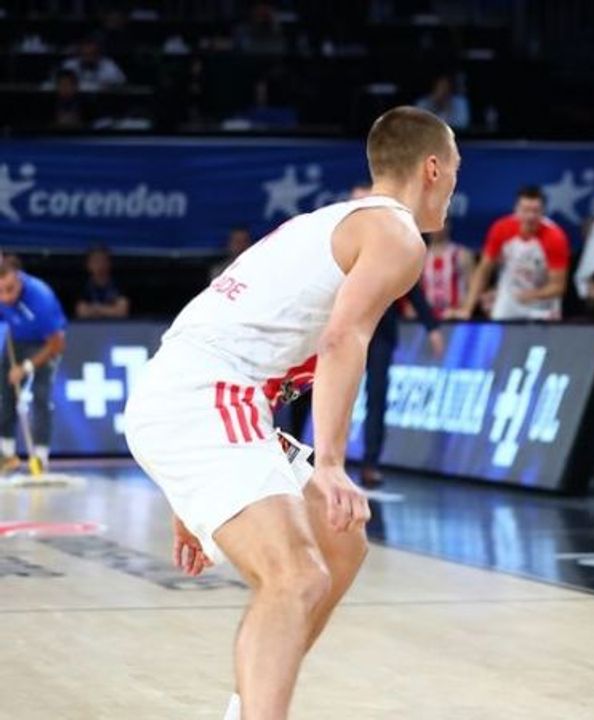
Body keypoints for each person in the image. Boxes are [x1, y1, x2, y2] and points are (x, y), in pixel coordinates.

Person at [122, 106, 458, 720]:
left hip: (200, 395)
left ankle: (248, 707)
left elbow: (223, 327)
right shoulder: (397, 235)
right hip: (204, 396)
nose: (456, 184)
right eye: (456, 169)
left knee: (341, 541)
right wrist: (330, 463)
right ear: (433, 168)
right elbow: (342, 339)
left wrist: (186, 497)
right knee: (296, 577)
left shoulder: (329, 222)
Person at [348, 185, 446, 488]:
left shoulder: (389, 244)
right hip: (344, 331)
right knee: (334, 392)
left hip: (380, 332)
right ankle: (324, 461)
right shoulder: (339, 241)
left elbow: (411, 286)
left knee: (376, 397)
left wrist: (431, 327)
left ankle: (370, 463)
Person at [450, 186, 570, 321]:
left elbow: (558, 286)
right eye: (526, 210)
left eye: (535, 211)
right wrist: (467, 308)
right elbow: (484, 270)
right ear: (516, 209)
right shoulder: (501, 229)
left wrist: (530, 295)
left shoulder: (555, 237)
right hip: (509, 299)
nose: (530, 216)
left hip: (542, 303)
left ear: (543, 211)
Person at [0, 260, 66, 473]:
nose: (5, 297)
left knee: (41, 397)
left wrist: (26, 367)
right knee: (5, 395)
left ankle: (40, 457)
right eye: (0, 292)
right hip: (16, 341)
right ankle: (6, 455)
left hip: (45, 344)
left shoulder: (41, 297)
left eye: (10, 289)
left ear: (18, 278)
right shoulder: (3, 296)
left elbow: (58, 344)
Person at [420, 219, 472, 318]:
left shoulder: (461, 253)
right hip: (428, 316)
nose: (436, 229)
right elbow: (416, 290)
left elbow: (472, 288)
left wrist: (465, 309)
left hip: (455, 316)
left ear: (448, 226)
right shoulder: (421, 256)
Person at [76, 245, 130, 319]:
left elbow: (122, 311)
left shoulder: (119, 285)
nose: (100, 265)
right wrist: (110, 310)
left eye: (103, 260)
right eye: (96, 261)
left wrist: (96, 309)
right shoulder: (83, 286)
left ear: (109, 263)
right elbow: (82, 312)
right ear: (88, 265)